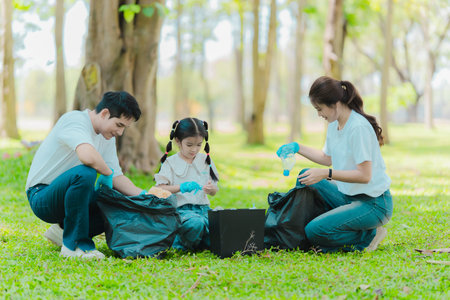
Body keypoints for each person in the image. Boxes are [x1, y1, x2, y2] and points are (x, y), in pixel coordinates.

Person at [276, 76, 393, 253]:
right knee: (306, 176)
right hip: (348, 196)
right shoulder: (334, 124)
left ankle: (369, 235)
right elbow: (326, 157)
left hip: (374, 204)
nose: (319, 114)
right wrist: (297, 147)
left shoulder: (357, 128)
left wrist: (326, 174)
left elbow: (364, 175)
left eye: (319, 109)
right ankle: (317, 225)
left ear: (335, 103)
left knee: (314, 231)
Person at [25, 91, 146, 259]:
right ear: (104, 113)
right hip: (42, 196)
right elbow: (87, 156)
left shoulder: (107, 138)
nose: (120, 132)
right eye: (119, 125)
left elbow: (117, 177)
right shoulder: (74, 120)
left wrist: (145, 196)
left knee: (117, 199)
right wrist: (106, 172)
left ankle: (62, 231)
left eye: (124, 127)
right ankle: (73, 246)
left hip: (67, 197)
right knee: (85, 173)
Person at [154, 118, 219, 251]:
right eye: (189, 145)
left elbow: (214, 190)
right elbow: (158, 190)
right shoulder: (170, 163)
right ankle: (181, 243)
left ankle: (199, 242)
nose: (194, 149)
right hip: (182, 212)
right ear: (178, 141)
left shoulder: (205, 160)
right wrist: (181, 187)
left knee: (220, 220)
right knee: (195, 224)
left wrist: (212, 189)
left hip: (204, 210)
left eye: (198, 145)